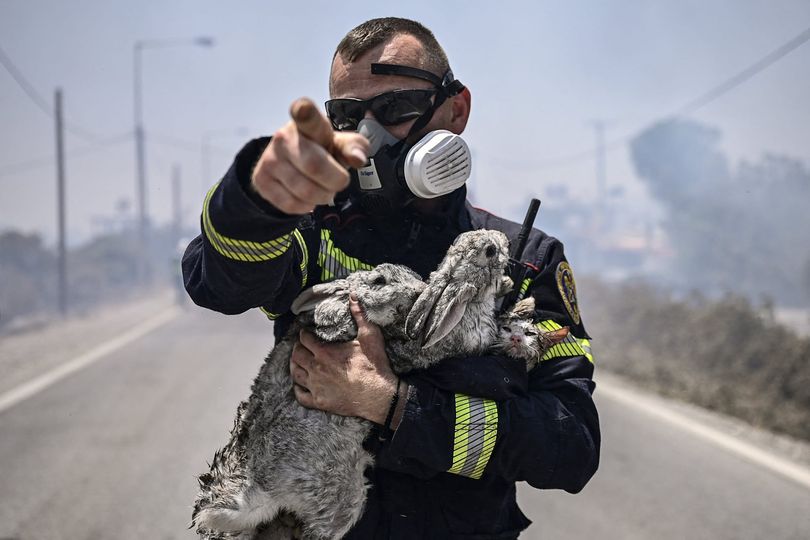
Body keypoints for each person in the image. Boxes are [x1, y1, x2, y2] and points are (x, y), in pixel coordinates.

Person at [183, 17, 599, 539]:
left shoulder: (517, 261)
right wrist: (255, 203)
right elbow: (217, 285)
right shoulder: (312, 231)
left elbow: (570, 448)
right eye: (348, 115)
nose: (369, 136)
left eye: (395, 109)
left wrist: (391, 404)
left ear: (457, 109)